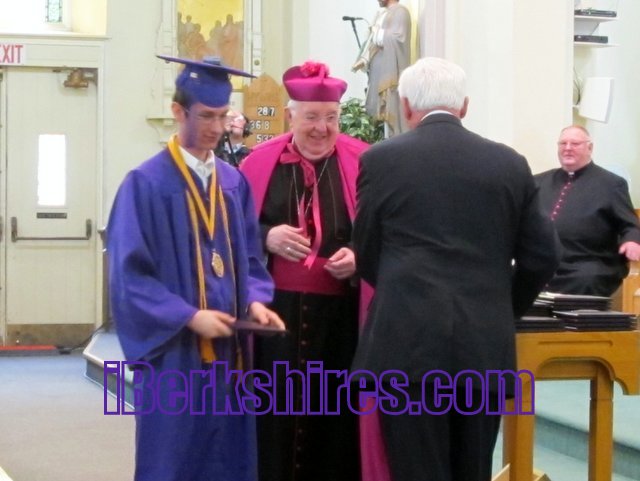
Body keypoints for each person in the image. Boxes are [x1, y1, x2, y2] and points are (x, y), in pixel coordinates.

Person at [352, 57, 560, 481]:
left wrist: (397, 289)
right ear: (464, 105)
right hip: (482, 344)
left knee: (416, 469)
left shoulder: (382, 160)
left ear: (406, 105)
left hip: (406, 345)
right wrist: (502, 306)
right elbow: (543, 256)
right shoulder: (509, 163)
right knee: (473, 468)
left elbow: (367, 249)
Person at [107, 55, 284, 481]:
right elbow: (129, 277)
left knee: (229, 458)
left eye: (223, 116)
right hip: (176, 356)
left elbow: (250, 259)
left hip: (230, 356)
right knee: (174, 459)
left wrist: (256, 302)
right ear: (178, 111)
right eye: (206, 116)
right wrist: (187, 315)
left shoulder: (232, 182)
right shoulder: (146, 184)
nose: (216, 127)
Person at [240, 61, 368, 481]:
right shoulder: (257, 163)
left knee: (333, 419)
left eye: (331, 117)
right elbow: (229, 230)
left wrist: (358, 254)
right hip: (274, 316)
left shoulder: (364, 162)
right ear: (290, 116)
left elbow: (382, 230)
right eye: (311, 117)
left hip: (341, 320)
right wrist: (266, 236)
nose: (322, 128)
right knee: (275, 413)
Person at [535, 125, 640, 296]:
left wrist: (632, 241)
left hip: (589, 263)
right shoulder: (539, 182)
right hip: (544, 263)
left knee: (586, 279)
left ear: (589, 148)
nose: (568, 148)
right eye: (563, 143)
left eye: (575, 143)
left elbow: (630, 225)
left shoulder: (612, 184)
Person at [352, 0, 411, 137]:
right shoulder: (382, 14)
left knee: (389, 113)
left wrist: (378, 33)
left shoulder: (400, 12)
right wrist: (364, 60)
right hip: (377, 74)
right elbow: (374, 45)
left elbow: (398, 39)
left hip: (390, 74)